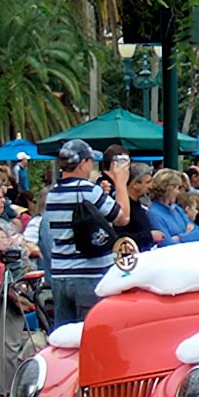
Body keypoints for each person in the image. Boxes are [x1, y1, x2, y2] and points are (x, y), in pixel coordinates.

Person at [45, 139, 130, 325]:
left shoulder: (52, 194)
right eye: (91, 161)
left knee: (65, 336)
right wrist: (121, 183)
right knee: (90, 331)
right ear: (82, 163)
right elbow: (122, 217)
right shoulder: (89, 191)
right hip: (89, 275)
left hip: (60, 274)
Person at [147, 169, 199, 246]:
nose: (179, 192)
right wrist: (188, 234)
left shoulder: (177, 209)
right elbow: (167, 243)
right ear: (169, 189)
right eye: (177, 188)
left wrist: (180, 238)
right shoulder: (153, 213)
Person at [120, 163, 160, 251]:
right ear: (135, 184)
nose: (151, 186)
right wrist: (149, 236)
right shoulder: (124, 207)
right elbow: (121, 236)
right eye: (148, 182)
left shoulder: (139, 203)